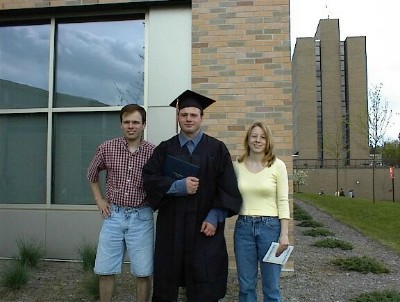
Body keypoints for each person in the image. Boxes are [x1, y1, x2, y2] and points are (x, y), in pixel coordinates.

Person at [142, 89, 242, 302]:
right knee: (168, 276)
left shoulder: (217, 149)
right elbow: (149, 179)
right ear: (178, 117)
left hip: (205, 226)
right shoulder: (165, 148)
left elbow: (228, 188)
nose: (188, 119)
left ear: (201, 118)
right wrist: (178, 186)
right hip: (172, 226)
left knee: (205, 277)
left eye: (193, 115)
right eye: (184, 114)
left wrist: (215, 216)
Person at [87, 104, 155, 302]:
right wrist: (99, 199)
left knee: (143, 271)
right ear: (121, 124)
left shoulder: (154, 152)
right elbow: (91, 174)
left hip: (141, 217)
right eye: (127, 122)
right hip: (113, 216)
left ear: (144, 125)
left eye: (135, 122)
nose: (131, 126)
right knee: (105, 269)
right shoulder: (107, 148)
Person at [233, 121, 290, 302]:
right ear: (248, 139)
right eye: (254, 136)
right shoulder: (237, 165)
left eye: (262, 137)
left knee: (271, 286)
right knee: (246, 286)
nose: (258, 140)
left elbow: (283, 201)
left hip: (270, 229)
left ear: (268, 141)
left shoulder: (278, 166)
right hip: (243, 228)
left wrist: (284, 234)